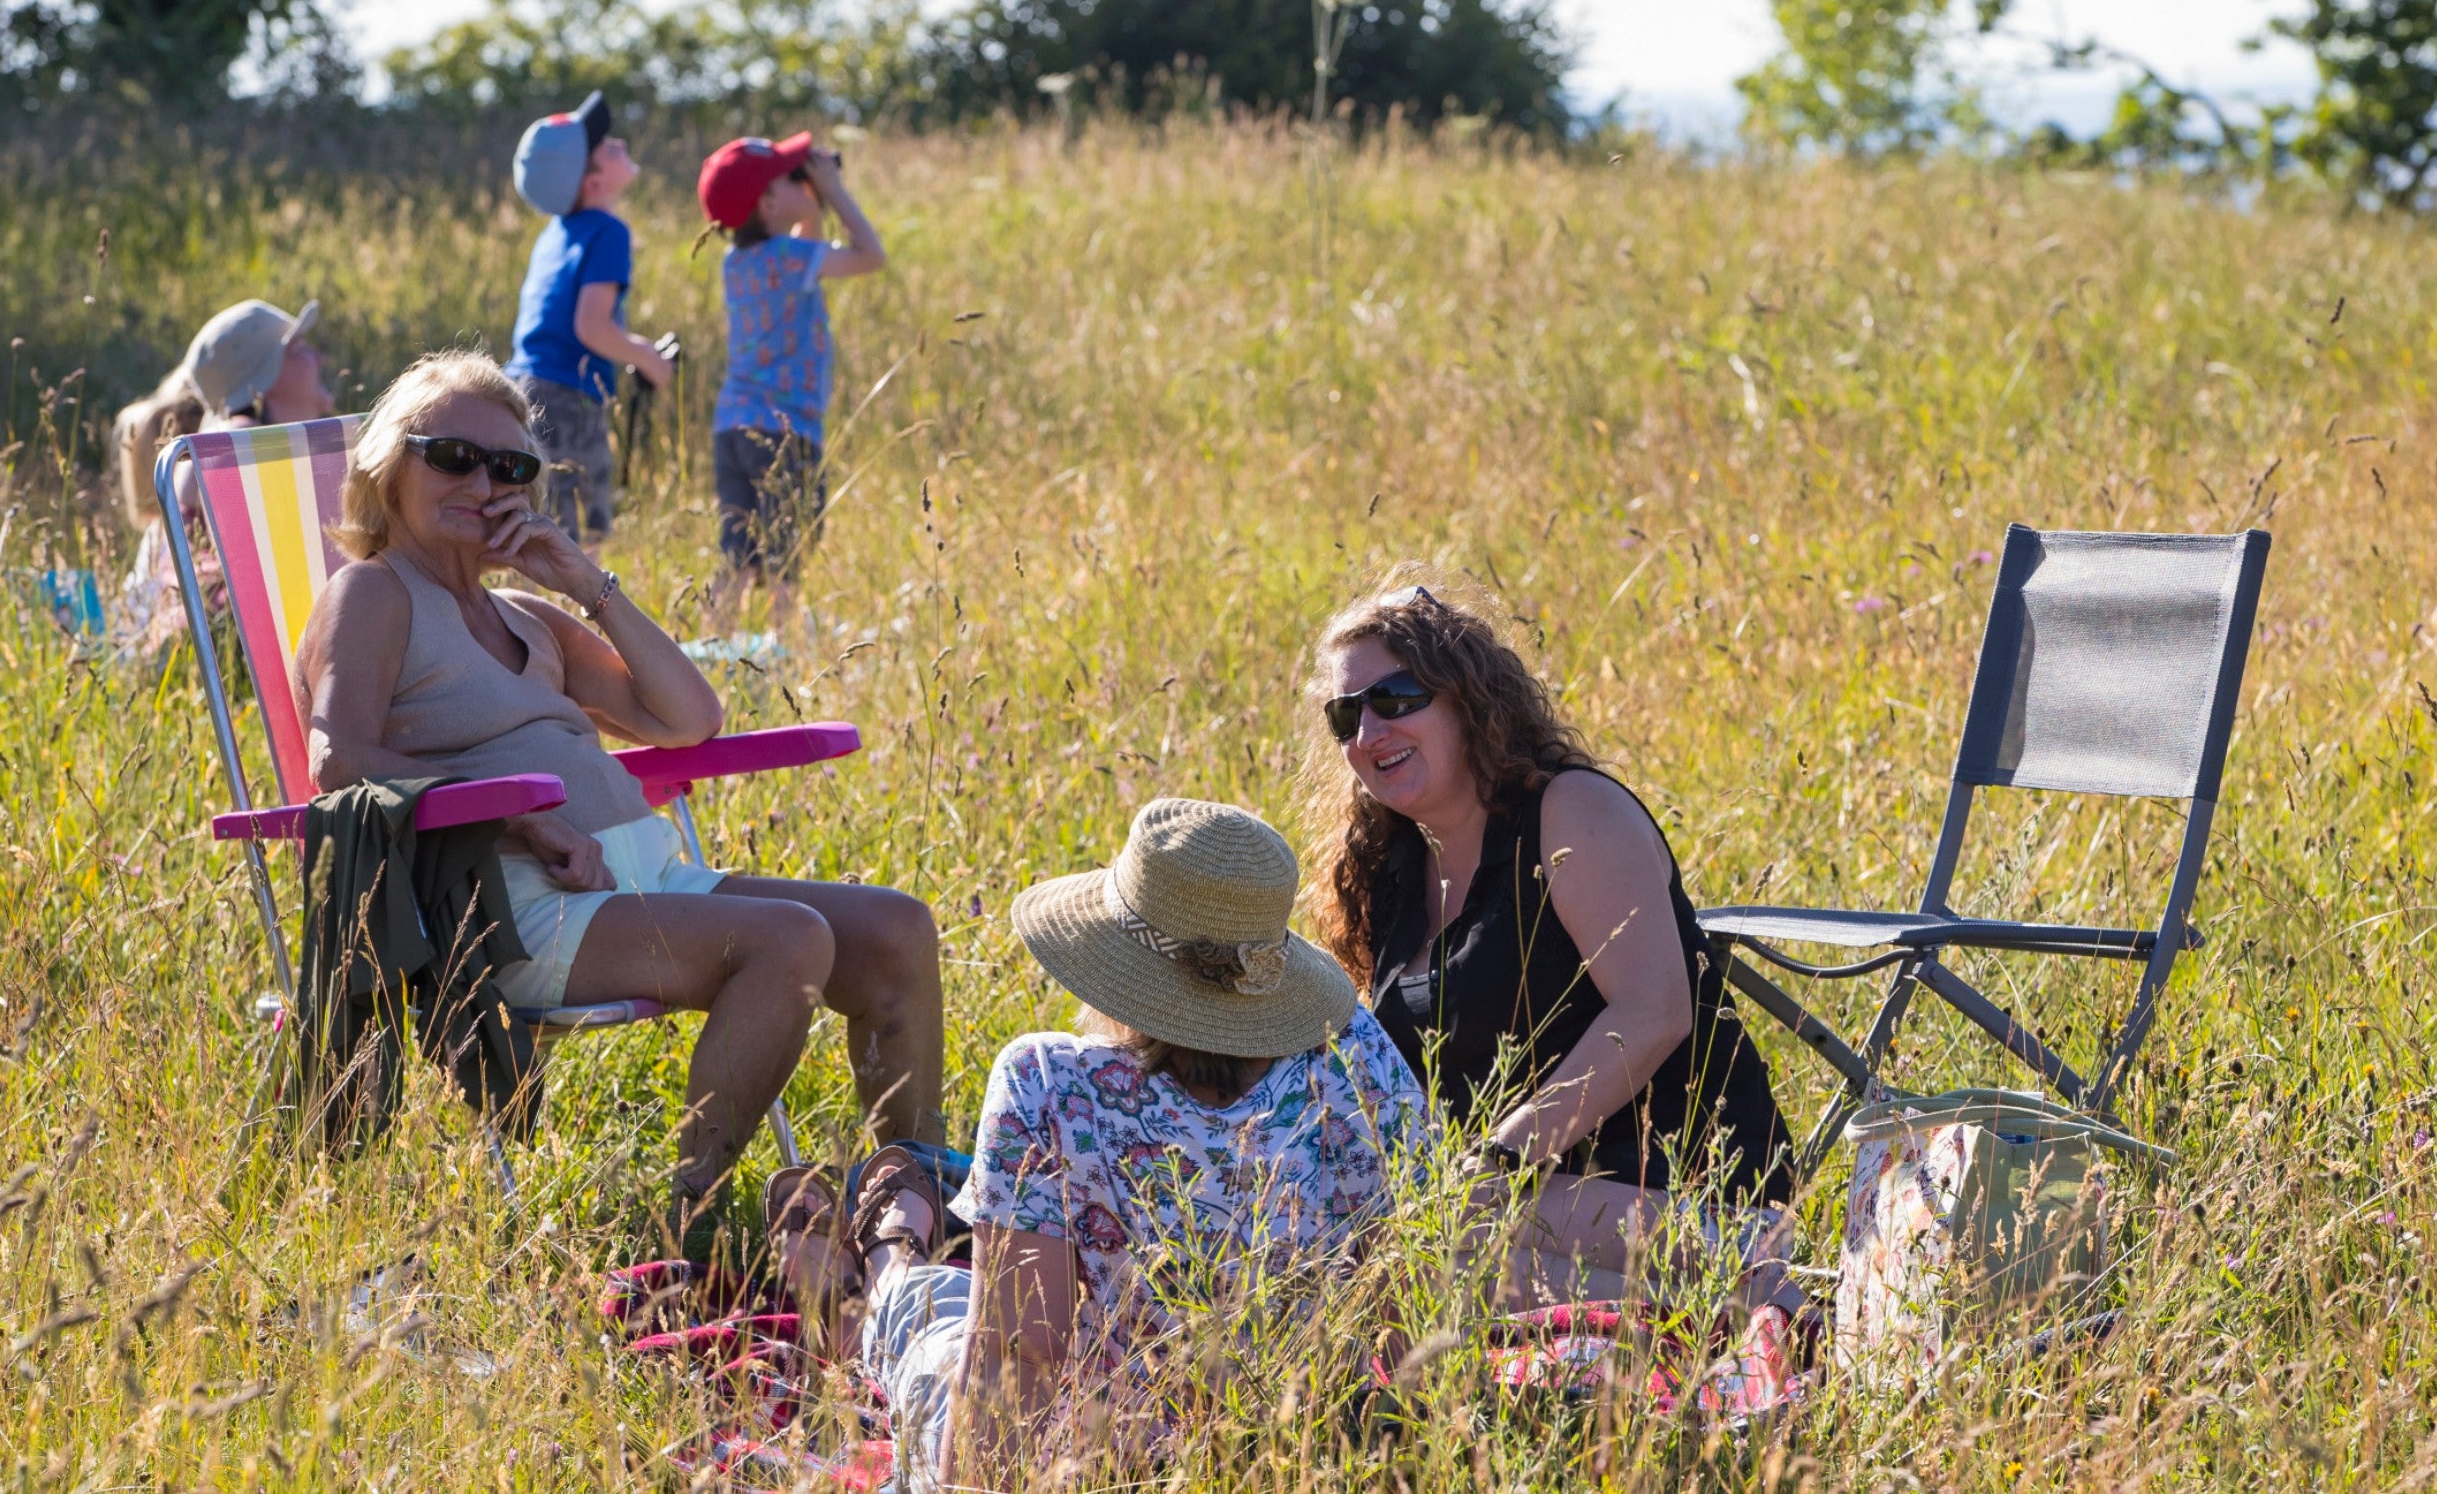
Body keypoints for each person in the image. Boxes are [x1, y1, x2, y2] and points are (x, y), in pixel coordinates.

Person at [289, 349, 943, 1227]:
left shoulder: (529, 616)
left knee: (897, 927)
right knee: (788, 941)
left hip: (641, 882)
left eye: (511, 467)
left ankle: (916, 1198)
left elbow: (687, 718)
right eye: (454, 457)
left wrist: (585, 583)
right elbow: (337, 757)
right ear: (387, 463)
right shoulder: (374, 594)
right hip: (515, 901)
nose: (484, 482)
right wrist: (522, 819)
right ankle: (697, 1218)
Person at [766, 799, 1426, 1492]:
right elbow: (1415, 1304)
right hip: (1307, 1458)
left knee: (934, 1325)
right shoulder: (1353, 1050)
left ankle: (877, 1269)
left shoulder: (1052, 1084)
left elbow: (1019, 1362)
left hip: (1099, 1464)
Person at [1296, 575, 1803, 1301]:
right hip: (1512, 1211)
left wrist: (1500, 1162)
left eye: (1396, 698)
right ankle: (1715, 1329)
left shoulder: (1572, 811)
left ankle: (1763, 1301)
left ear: (1467, 698)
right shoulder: (1389, 869)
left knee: (1436, 1253)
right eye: (1345, 716)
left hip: (1691, 1191)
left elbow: (1655, 1009)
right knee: (1352, 1254)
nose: (1369, 734)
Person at [694, 130, 888, 630]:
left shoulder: (737, 262)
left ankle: (716, 648)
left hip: (733, 425)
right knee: (787, 552)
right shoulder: (792, 259)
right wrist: (834, 190)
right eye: (790, 177)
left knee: (736, 552)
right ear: (768, 202)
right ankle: (781, 649)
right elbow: (870, 255)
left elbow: (805, 243)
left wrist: (809, 201)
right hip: (787, 430)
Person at [109, 298, 337, 653]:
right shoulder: (242, 450)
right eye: (300, 347)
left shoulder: (226, 443)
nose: (318, 358)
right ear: (267, 372)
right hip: (230, 658)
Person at [505, 90, 673, 542]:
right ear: (591, 182)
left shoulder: (555, 234)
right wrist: (647, 358)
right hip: (567, 396)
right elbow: (591, 326)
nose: (617, 142)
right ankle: (575, 612)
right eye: (604, 145)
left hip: (521, 386)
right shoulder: (609, 232)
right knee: (578, 536)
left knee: (534, 521)